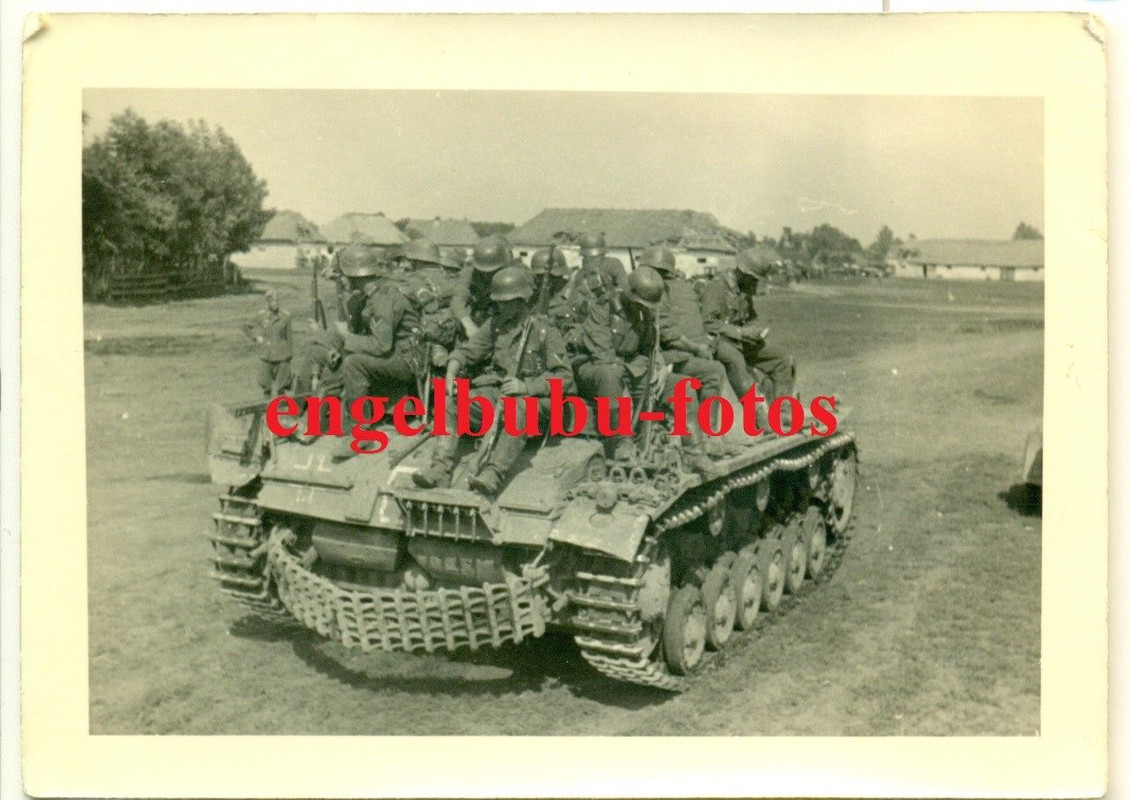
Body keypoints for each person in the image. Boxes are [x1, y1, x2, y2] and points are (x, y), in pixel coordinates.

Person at [413, 266, 574, 495]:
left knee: (520, 407)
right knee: (453, 403)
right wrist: (452, 369)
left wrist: (526, 387)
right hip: (500, 393)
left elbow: (564, 377)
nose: (500, 307)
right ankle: (440, 469)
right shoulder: (496, 323)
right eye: (498, 302)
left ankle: (493, 473)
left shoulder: (545, 331)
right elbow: (469, 350)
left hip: (535, 403)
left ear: (522, 300)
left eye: (505, 302)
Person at [616, 266, 715, 474]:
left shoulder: (644, 313)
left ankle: (694, 454)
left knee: (683, 387)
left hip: (641, 370)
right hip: (618, 373)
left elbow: (653, 347)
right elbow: (602, 355)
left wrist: (661, 368)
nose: (645, 308)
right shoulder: (609, 309)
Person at [700, 248, 796, 400]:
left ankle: (783, 409)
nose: (755, 282)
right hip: (719, 342)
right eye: (753, 278)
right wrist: (741, 332)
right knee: (737, 362)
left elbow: (750, 316)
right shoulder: (717, 286)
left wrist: (756, 330)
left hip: (741, 342)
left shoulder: (744, 289)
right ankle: (757, 411)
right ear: (743, 273)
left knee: (782, 358)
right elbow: (708, 323)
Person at [637, 245, 727, 401]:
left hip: (666, 353)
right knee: (714, 371)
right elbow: (668, 335)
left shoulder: (653, 289)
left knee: (710, 372)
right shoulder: (655, 291)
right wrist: (697, 348)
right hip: (658, 357)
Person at [450, 234, 514, 340]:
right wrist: (468, 324)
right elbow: (458, 299)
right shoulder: (470, 271)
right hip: (476, 315)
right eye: (483, 271)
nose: (487, 275)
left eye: (493, 271)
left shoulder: (510, 272)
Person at [242, 289, 292, 398]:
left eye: (277, 300)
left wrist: (289, 355)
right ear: (267, 302)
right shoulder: (261, 315)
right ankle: (266, 405)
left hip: (282, 355)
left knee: (282, 388)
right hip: (266, 355)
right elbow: (245, 326)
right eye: (272, 301)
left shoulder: (285, 316)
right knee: (266, 386)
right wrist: (256, 337)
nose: (275, 303)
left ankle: (282, 406)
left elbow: (289, 338)